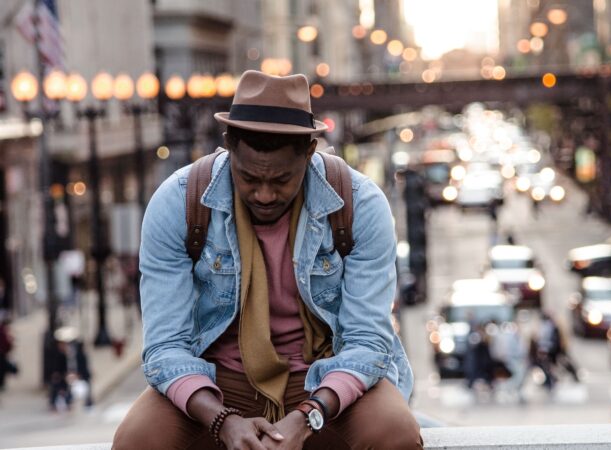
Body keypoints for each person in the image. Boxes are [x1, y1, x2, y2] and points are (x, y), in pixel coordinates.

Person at [114, 72, 421, 449]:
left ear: (310, 152)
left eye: (280, 181)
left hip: (325, 374)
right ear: (228, 146)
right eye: (249, 178)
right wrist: (221, 420)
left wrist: (309, 415)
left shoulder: (361, 204)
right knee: (138, 440)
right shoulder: (178, 202)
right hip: (217, 379)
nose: (263, 194)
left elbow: (368, 342)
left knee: (395, 433)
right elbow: (164, 347)